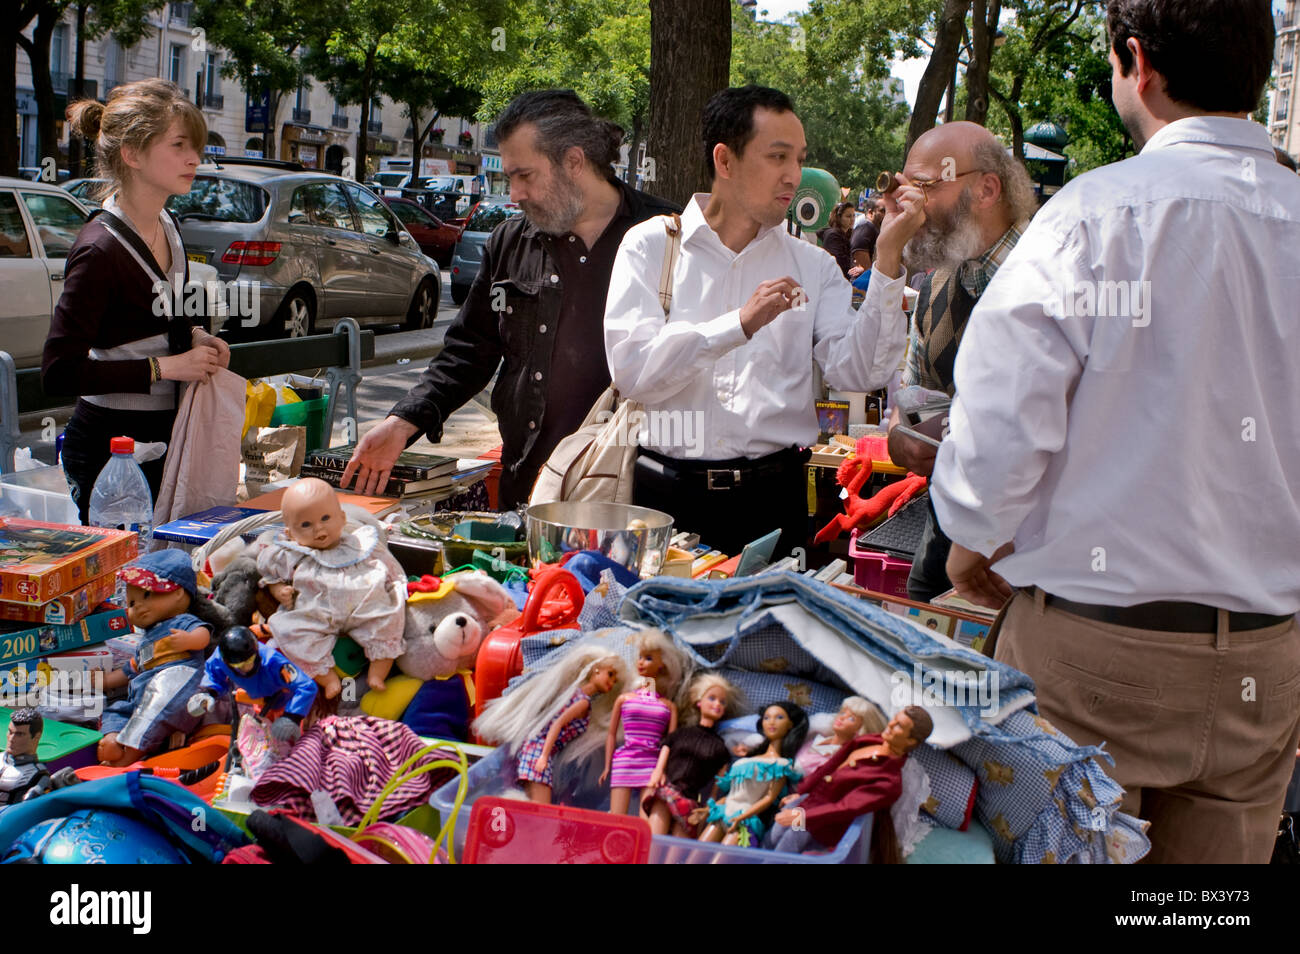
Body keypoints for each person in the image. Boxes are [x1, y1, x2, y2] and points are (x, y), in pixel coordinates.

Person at [930, 0, 1300, 864]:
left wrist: (969, 539)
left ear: (1138, 63)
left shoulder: (1095, 215)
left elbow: (999, 426)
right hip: (1265, 653)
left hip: (1095, 657)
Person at [604, 86, 907, 555]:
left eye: (799, 158)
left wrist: (886, 262)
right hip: (664, 497)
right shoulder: (650, 247)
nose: (793, 176)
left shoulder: (813, 265)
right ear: (725, 161)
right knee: (657, 630)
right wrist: (737, 325)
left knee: (766, 631)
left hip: (775, 499)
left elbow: (860, 372)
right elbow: (634, 373)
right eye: (777, 157)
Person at [340, 91, 679, 508]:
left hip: (630, 490)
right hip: (529, 485)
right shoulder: (511, 240)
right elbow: (469, 351)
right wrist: (404, 420)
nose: (514, 194)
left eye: (525, 175)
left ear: (574, 162)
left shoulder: (669, 238)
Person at [43, 79, 230, 524]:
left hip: (168, 436)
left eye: (196, 146)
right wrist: (167, 368)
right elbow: (59, 371)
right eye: (180, 145)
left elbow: (172, 311)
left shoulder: (168, 223)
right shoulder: (98, 249)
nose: (194, 159)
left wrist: (198, 336)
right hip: (109, 452)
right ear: (131, 153)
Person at [870, 122, 1037, 604]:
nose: (907, 204)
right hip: (945, 535)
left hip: (1029, 550)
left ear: (987, 188)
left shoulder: (1051, 272)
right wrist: (902, 436)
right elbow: (910, 396)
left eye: (923, 188)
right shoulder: (935, 285)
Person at [768, 705, 931, 854]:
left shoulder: (888, 782)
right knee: (771, 837)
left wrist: (803, 817)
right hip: (808, 802)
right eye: (894, 719)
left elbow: (845, 807)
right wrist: (802, 791)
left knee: (783, 850)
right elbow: (829, 767)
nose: (890, 725)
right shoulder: (868, 740)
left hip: (822, 824)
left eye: (899, 726)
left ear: (911, 740)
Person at [816, 200, 856, 278]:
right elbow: (839, 261)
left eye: (853, 216)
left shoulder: (850, 234)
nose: (852, 219)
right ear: (839, 217)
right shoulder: (833, 236)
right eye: (848, 216)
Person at [850, 196, 885, 271]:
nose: (886, 215)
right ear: (870, 213)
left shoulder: (877, 230)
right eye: (882, 211)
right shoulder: (866, 229)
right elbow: (865, 269)